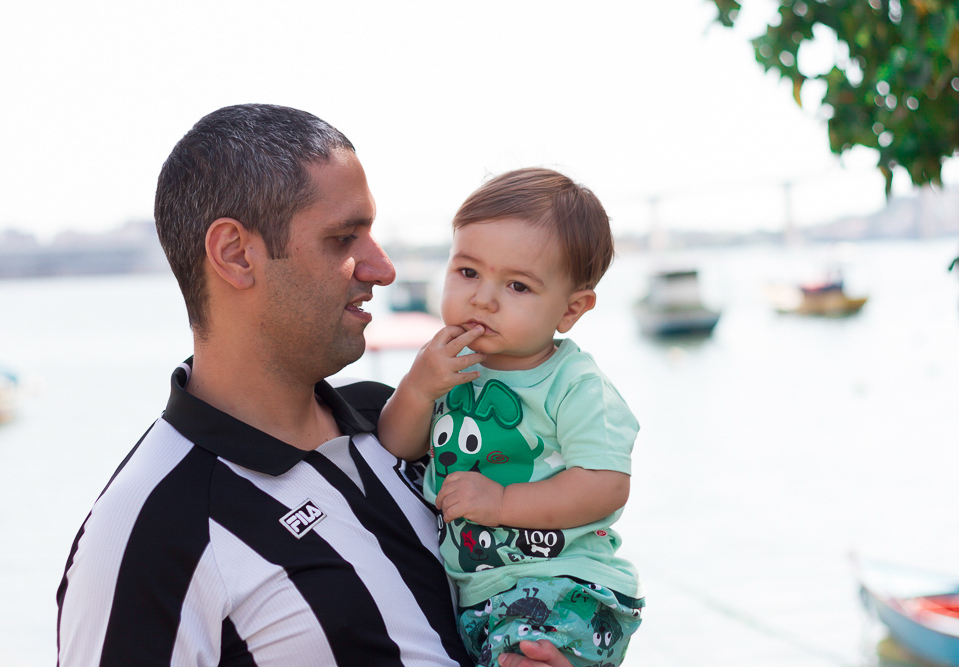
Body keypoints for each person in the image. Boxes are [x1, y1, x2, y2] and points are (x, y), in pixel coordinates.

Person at [55, 104, 573, 667]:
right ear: (235, 254)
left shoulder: (403, 422)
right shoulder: (149, 531)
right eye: (344, 238)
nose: (383, 268)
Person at [377, 168, 645, 667]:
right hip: (478, 594)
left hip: (566, 587)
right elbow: (395, 445)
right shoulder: (448, 366)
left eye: (518, 286)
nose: (483, 298)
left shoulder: (575, 384)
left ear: (571, 310)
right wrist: (417, 387)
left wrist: (501, 501)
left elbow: (606, 485)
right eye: (468, 272)